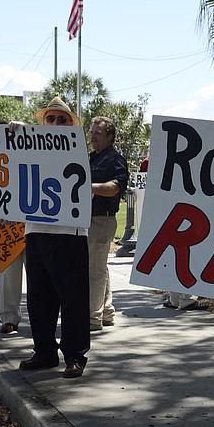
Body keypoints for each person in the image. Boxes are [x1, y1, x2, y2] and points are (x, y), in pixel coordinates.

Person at [13, 96, 90, 379]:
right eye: (51, 118)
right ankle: (44, 351)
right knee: (38, 297)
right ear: (42, 122)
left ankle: (75, 355)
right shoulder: (29, 146)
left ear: (70, 125)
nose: (55, 123)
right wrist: (16, 133)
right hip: (36, 231)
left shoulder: (77, 149)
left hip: (70, 232)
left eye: (62, 119)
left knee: (72, 298)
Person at [139, 156, 207, 311]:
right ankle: (185, 298)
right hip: (184, 210)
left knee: (172, 254)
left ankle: (175, 297)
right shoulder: (193, 159)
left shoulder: (150, 161)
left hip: (165, 212)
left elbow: (143, 187)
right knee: (187, 254)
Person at [88, 116, 128, 331]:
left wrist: (88, 186)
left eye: (98, 133)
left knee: (93, 271)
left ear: (110, 137)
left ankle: (92, 319)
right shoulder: (93, 157)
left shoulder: (115, 159)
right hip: (90, 218)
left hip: (101, 219)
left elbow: (115, 187)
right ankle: (106, 313)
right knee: (99, 268)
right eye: (92, 132)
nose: (93, 136)